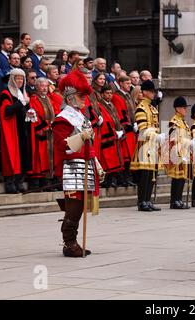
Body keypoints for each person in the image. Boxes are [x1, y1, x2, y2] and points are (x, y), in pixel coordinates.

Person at [52, 69, 102, 258]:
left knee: (80, 206)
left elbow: (88, 146)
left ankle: (72, 242)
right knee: (73, 206)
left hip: (85, 165)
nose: (84, 100)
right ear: (71, 97)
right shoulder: (62, 119)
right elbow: (62, 146)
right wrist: (81, 135)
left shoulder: (82, 117)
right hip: (71, 167)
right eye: (81, 96)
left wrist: (96, 162)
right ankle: (69, 242)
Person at [130, 80, 165, 212]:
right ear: (144, 92)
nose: (153, 94)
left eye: (153, 91)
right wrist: (157, 136)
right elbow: (143, 129)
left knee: (152, 174)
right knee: (145, 174)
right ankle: (141, 201)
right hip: (145, 144)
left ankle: (148, 200)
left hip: (153, 144)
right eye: (151, 91)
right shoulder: (141, 108)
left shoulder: (152, 108)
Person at [0, 68, 32, 194]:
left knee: (23, 157)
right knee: (12, 157)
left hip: (23, 129)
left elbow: (25, 108)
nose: (20, 80)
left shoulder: (23, 93)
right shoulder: (6, 93)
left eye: (22, 78)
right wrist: (21, 103)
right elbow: (6, 111)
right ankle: (10, 183)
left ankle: (19, 182)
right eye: (17, 78)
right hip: (13, 129)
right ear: (12, 79)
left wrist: (30, 112)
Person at [27, 78, 59, 190]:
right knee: (40, 157)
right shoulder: (34, 99)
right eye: (42, 86)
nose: (45, 88)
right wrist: (46, 126)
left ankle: (48, 181)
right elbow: (34, 115)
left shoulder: (49, 99)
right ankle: (39, 182)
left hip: (51, 133)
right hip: (41, 134)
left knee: (51, 156)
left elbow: (56, 111)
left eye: (46, 86)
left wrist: (55, 122)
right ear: (37, 87)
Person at [165, 97, 193, 210]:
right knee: (177, 177)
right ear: (177, 108)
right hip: (176, 152)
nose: (186, 110)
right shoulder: (174, 121)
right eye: (184, 107)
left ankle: (179, 199)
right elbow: (175, 138)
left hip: (184, 152)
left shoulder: (183, 122)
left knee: (182, 178)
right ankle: (174, 201)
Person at [112, 75, 137, 187]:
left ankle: (128, 177)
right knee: (125, 155)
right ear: (121, 83)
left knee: (130, 154)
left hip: (131, 128)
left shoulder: (128, 96)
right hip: (125, 129)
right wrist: (128, 124)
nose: (129, 85)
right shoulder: (117, 96)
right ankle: (123, 178)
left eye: (130, 83)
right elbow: (120, 112)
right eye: (127, 83)